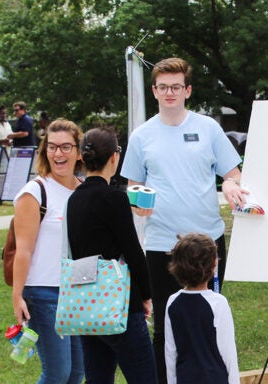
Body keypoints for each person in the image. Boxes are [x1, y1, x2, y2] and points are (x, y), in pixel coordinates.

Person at [120, 56, 247, 383]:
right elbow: (132, 185)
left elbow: (232, 173)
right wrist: (138, 203)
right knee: (164, 326)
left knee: (209, 320)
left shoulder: (208, 128)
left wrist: (232, 185)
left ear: (188, 90)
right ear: (154, 91)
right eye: (163, 87)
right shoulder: (142, 135)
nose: (170, 93)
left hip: (207, 242)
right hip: (162, 243)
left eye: (176, 87)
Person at [66, 127, 157, 383]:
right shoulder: (114, 199)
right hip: (118, 302)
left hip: (85, 301)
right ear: (115, 157)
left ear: (83, 158)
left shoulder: (74, 199)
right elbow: (133, 251)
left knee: (98, 378)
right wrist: (146, 295)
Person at [11, 118, 84, 384]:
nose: (58, 154)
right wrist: (17, 296)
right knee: (57, 373)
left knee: (77, 373)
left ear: (78, 151)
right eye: (52, 147)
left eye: (66, 147)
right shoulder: (34, 192)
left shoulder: (84, 190)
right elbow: (23, 250)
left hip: (77, 293)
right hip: (43, 294)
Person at [165, 233, 239, 384]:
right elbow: (228, 353)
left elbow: (170, 353)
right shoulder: (218, 303)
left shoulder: (172, 302)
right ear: (214, 265)